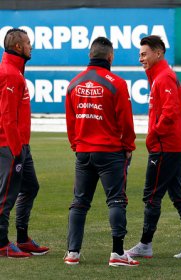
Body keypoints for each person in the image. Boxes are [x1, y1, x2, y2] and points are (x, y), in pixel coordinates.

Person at [64, 37, 138, 266]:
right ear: (110, 56)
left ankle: (72, 253)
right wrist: (129, 146)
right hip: (110, 152)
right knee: (116, 200)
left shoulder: (73, 83)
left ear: (89, 55)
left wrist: (77, 146)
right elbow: (125, 121)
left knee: (79, 202)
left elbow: (71, 121)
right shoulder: (116, 83)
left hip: (84, 152)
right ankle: (117, 254)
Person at [127, 35, 181, 259]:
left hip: (166, 147)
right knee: (180, 196)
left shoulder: (164, 77)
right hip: (174, 146)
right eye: (140, 54)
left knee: (152, 197)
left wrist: (154, 135)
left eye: (144, 53)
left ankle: (145, 244)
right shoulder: (160, 76)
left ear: (158, 53)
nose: (140, 58)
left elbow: (169, 112)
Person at [0, 28, 49, 258]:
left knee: (30, 187)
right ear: (18, 47)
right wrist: (16, 149)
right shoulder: (9, 74)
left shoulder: (15, 73)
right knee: (6, 194)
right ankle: (1, 243)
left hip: (20, 145)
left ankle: (22, 238)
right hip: (10, 146)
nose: (31, 46)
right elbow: (7, 116)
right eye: (28, 43)